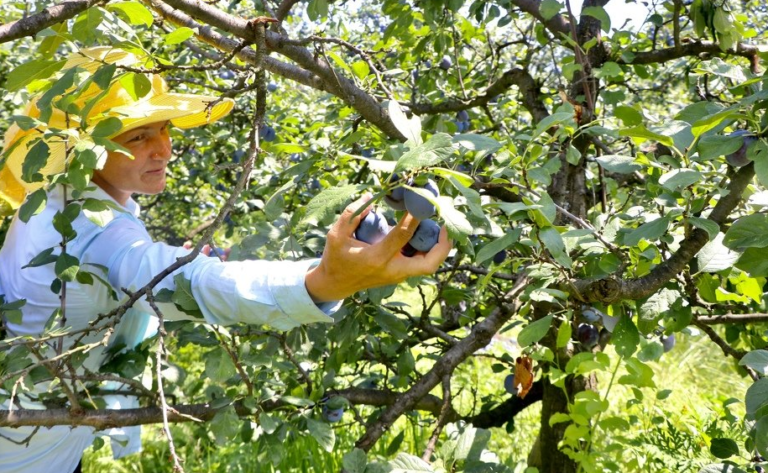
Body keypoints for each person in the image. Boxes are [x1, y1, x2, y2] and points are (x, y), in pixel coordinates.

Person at [0, 47, 451, 473]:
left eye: (164, 128)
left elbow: (127, 273)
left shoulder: (54, 200)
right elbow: (185, 282)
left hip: (34, 427)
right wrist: (323, 281)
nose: (164, 148)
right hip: (33, 455)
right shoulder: (95, 229)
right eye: (139, 135)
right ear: (86, 146)